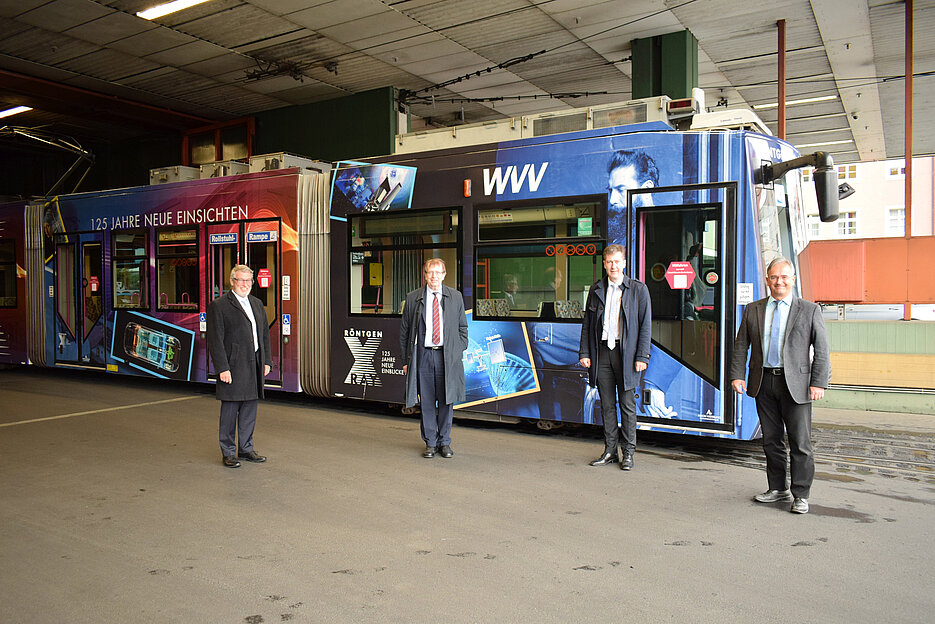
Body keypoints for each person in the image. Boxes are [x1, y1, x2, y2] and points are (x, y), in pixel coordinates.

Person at [729, 257, 831, 514]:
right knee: (771, 441)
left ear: (793, 280)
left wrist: (818, 382)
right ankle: (777, 489)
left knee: (800, 442)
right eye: (774, 277)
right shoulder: (753, 309)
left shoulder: (809, 310)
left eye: (784, 277)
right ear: (767, 280)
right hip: (764, 381)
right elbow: (742, 345)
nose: (779, 282)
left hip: (796, 384)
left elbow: (822, 349)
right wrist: (737, 375)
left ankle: (801, 494)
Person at [578, 244, 652, 470]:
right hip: (602, 354)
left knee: (628, 406)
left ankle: (628, 453)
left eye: (617, 261)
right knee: (607, 405)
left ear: (624, 263)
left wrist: (642, 356)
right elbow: (587, 324)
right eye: (609, 262)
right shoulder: (596, 289)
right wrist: (584, 353)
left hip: (627, 355)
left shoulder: (638, 290)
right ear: (604, 264)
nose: (613, 265)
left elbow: (645, 325)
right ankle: (610, 451)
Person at [400, 258, 469, 459]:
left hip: (447, 357)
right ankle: (430, 443)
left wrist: (457, 351)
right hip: (424, 356)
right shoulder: (413, 298)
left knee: (447, 400)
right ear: (425, 275)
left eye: (438, 273)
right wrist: (406, 360)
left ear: (444, 275)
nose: (434, 277)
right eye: (430, 272)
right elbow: (404, 332)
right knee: (428, 402)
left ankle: (445, 442)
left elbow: (463, 329)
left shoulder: (455, 297)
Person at [206, 264, 272, 468]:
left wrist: (267, 361)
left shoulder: (257, 303)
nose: (245, 284)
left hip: (254, 363)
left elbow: (264, 335)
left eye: (248, 281)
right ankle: (228, 452)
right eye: (241, 280)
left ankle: (245, 448)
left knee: (249, 408)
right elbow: (215, 340)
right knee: (230, 409)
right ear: (232, 281)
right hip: (232, 366)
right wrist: (222, 368)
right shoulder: (219, 305)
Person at [607, 150, 658, 243]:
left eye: (621, 190)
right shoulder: (617, 237)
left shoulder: (662, 231)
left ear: (647, 188)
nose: (612, 200)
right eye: (611, 191)